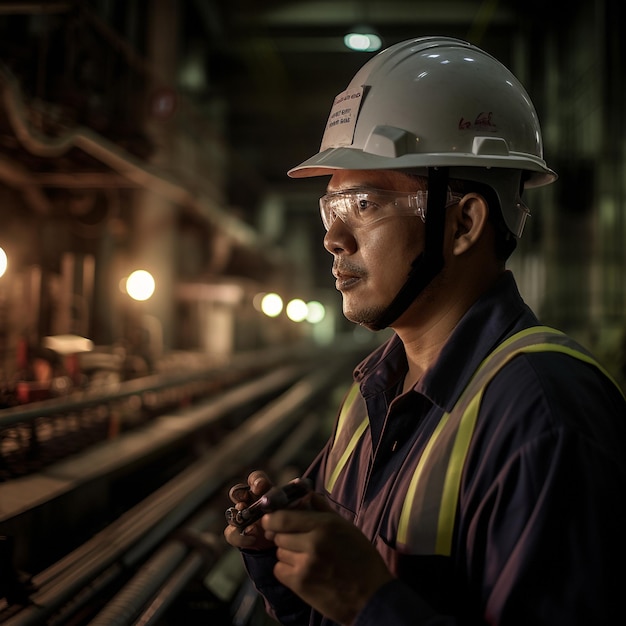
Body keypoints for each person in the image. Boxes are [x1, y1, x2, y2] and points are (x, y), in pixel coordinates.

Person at [224, 36, 626, 626]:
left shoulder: (544, 417)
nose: (335, 239)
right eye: (332, 209)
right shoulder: (373, 395)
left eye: (365, 205)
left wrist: (369, 602)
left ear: (464, 222)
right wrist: (281, 557)